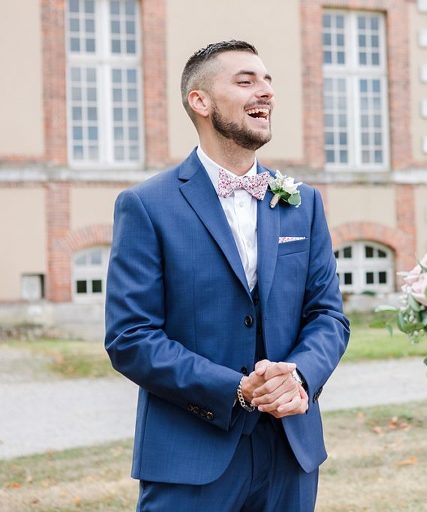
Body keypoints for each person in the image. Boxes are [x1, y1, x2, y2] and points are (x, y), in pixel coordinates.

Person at [105, 40, 349, 511]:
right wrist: (234, 389)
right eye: (246, 81)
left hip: (290, 452)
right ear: (200, 101)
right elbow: (131, 338)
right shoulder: (146, 206)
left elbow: (327, 316)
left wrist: (298, 377)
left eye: (268, 81)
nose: (266, 92)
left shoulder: (303, 201)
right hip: (190, 456)